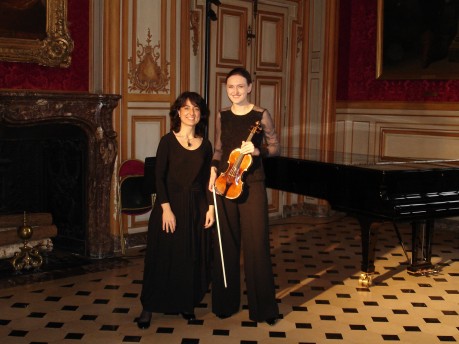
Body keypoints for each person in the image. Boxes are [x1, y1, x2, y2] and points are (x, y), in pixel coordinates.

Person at [136, 91, 215, 329]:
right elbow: (159, 178)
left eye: (196, 109)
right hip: (168, 207)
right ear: (178, 112)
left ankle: (186, 303)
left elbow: (206, 181)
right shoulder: (167, 141)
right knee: (161, 258)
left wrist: (210, 208)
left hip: (196, 206)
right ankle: (148, 307)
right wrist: (166, 209)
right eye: (187, 108)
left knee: (190, 257)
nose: (192, 113)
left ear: (201, 114)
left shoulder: (206, 145)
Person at [208, 67, 280, 325]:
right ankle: (225, 304)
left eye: (240, 86)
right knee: (226, 242)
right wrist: (214, 171)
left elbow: (275, 147)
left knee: (256, 245)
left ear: (250, 87)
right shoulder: (222, 115)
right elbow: (218, 149)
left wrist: (258, 150)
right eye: (230, 87)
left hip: (253, 184)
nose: (235, 92)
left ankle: (264, 310)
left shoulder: (261, 114)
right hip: (226, 182)